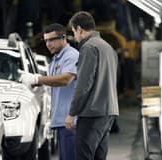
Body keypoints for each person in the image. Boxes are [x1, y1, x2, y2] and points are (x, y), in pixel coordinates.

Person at [65, 11, 119, 160]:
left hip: (92, 114)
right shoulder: (108, 48)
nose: (74, 36)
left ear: (80, 29)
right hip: (109, 112)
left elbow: (83, 85)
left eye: (74, 31)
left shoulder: (88, 48)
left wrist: (72, 113)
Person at [21, 23, 79, 160]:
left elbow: (66, 79)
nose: (48, 44)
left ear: (63, 38)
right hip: (61, 121)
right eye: (46, 40)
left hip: (71, 121)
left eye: (52, 39)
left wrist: (37, 79)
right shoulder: (55, 59)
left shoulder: (71, 56)